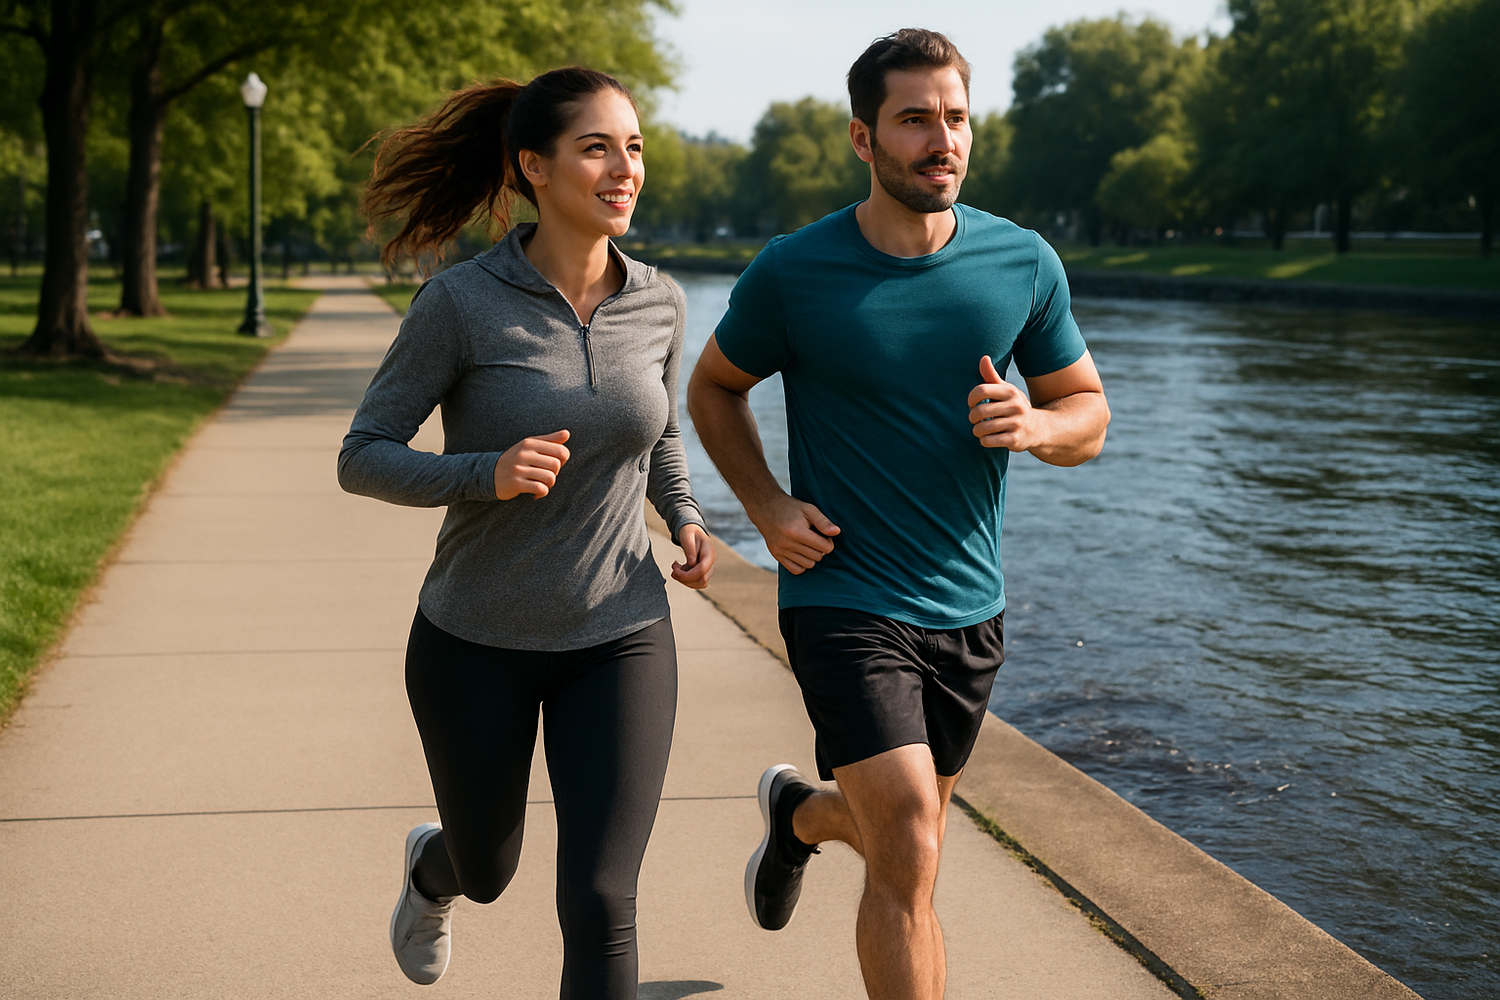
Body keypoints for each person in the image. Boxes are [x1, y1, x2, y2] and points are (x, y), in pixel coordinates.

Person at [687, 28, 1109, 1000]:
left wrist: (1037, 423)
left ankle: (799, 814)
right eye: (914, 119)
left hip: (968, 604)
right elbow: (713, 387)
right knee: (913, 840)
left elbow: (1089, 416)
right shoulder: (797, 269)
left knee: (902, 838)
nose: (941, 139)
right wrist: (766, 506)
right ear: (863, 139)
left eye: (955, 118)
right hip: (841, 594)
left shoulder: (1023, 262)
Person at [338, 66, 714, 998]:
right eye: (598, 148)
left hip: (619, 633)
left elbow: (658, 434)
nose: (624, 168)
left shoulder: (658, 301)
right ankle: (435, 873)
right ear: (533, 169)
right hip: (474, 640)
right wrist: (484, 476)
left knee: (599, 900)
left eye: (633, 147)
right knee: (488, 869)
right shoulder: (462, 303)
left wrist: (687, 515)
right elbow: (363, 453)